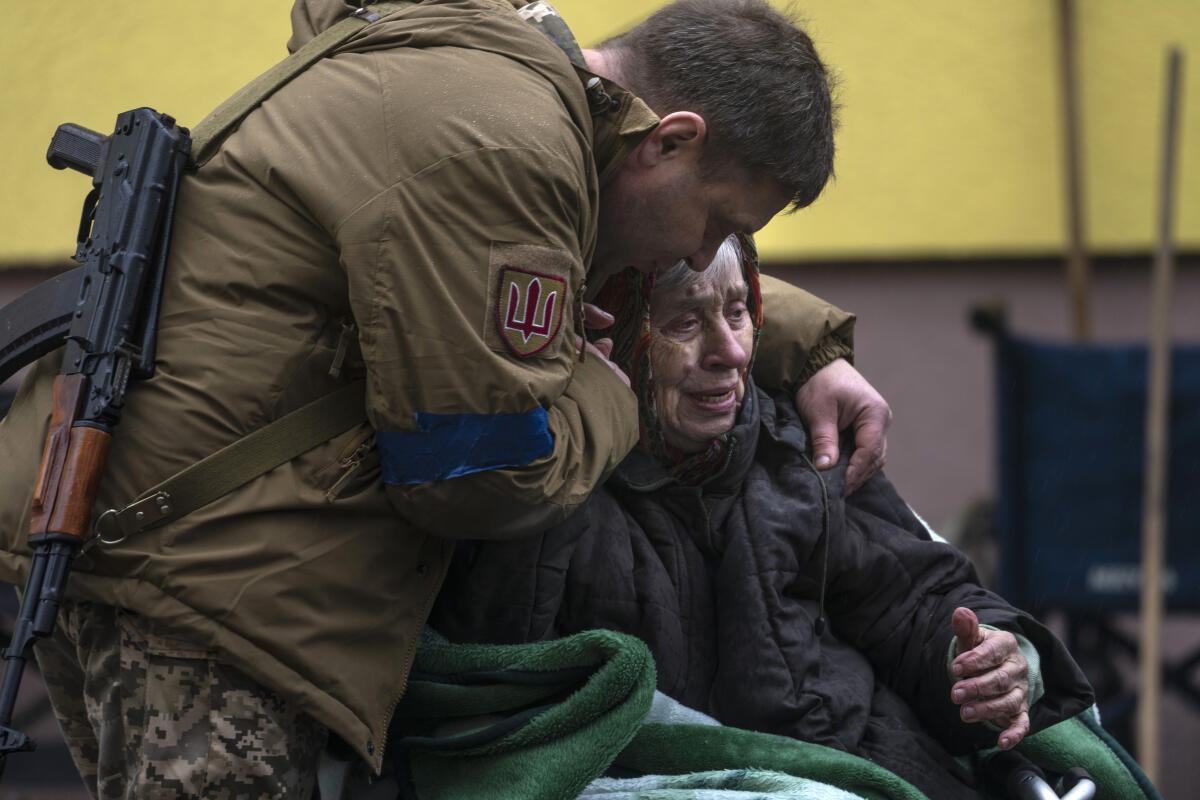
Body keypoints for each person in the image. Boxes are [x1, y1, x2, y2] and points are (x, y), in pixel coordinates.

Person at [0, 0, 891, 796]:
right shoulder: (507, 147)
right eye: (722, 224)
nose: (709, 256)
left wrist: (800, 345)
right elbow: (478, 476)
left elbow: (560, 257)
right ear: (670, 140)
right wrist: (607, 402)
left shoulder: (492, 78)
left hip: (148, 539)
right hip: (204, 584)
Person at [431, 236, 1096, 800]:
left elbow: (917, 600)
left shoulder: (799, 450)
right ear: (609, 335)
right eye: (685, 323)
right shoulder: (548, 486)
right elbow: (500, 688)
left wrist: (989, 662)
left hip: (874, 764)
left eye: (740, 311)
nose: (731, 351)